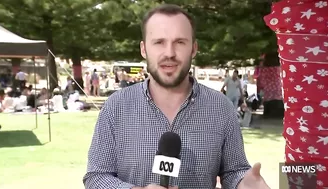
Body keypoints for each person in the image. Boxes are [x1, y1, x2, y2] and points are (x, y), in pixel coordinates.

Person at [83, 4, 270, 189]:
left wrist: (244, 182)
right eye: (159, 42)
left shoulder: (221, 107)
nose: (170, 53)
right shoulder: (116, 106)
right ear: (144, 49)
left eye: (180, 42)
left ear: (194, 49)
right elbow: (96, 176)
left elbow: (233, 171)